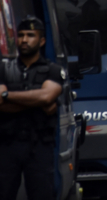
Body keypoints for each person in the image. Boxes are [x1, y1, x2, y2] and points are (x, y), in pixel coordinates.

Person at [0, 17, 65, 200]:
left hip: (39, 146)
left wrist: (7, 96)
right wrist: (35, 101)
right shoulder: (4, 70)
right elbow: (42, 100)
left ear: (41, 40)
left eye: (30, 35)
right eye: (20, 35)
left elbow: (46, 97)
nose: (24, 40)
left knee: (42, 194)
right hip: (7, 145)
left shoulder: (52, 70)